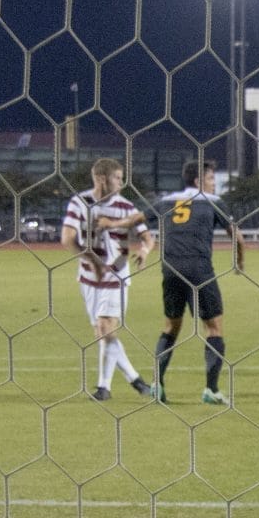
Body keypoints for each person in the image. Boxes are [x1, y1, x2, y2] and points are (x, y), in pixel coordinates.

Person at [61, 157, 156, 402]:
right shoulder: (79, 202)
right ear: (101, 178)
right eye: (118, 178)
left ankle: (104, 388)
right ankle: (136, 380)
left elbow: (148, 238)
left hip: (117, 276)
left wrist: (144, 252)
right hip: (89, 278)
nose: (122, 183)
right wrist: (92, 261)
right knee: (102, 333)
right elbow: (68, 238)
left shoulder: (126, 208)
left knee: (105, 327)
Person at [152, 160, 242, 405]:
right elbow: (238, 236)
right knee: (214, 328)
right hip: (200, 272)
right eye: (212, 179)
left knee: (170, 327)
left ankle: (156, 385)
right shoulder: (213, 202)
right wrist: (239, 261)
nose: (214, 184)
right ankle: (211, 390)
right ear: (198, 181)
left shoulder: (167, 201)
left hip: (170, 270)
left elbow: (139, 221)